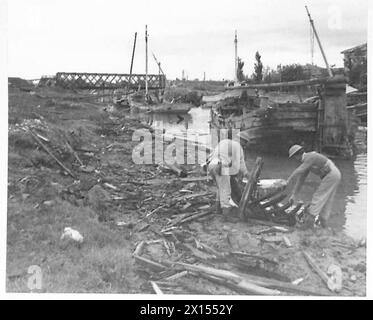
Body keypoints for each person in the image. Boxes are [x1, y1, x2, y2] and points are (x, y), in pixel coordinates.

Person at [286, 145, 341, 227]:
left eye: (294, 157)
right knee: (326, 201)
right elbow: (301, 180)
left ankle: (310, 219)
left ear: (297, 156)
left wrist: (288, 181)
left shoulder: (310, 156)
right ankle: (324, 224)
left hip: (331, 174)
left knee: (318, 196)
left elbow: (298, 170)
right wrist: (294, 195)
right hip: (334, 175)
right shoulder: (307, 163)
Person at [206, 138, 250, 219]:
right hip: (221, 166)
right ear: (243, 141)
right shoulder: (238, 147)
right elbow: (241, 164)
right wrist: (247, 175)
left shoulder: (224, 141)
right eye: (245, 143)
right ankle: (226, 215)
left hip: (211, 165)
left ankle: (218, 209)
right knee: (226, 190)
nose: (244, 146)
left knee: (220, 188)